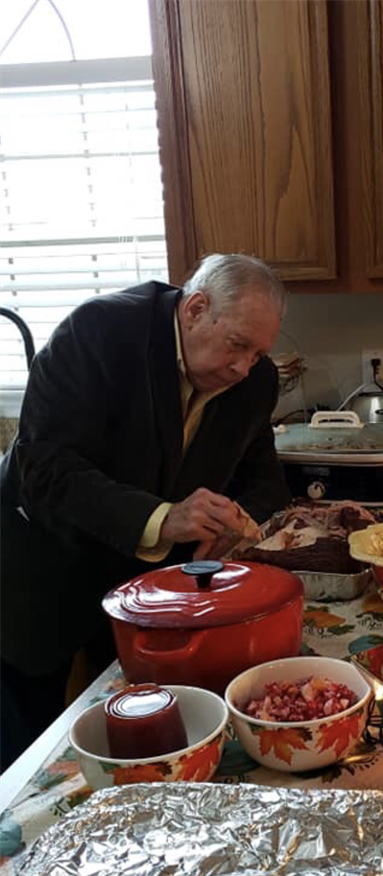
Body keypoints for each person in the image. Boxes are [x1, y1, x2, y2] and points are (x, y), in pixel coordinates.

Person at [0, 253, 291, 767]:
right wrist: (161, 518)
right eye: (239, 346)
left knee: (136, 735)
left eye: (258, 353)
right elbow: (44, 466)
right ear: (196, 309)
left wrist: (235, 518)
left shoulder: (253, 380)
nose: (244, 367)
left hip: (143, 586)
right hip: (41, 562)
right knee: (28, 750)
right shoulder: (99, 333)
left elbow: (265, 480)